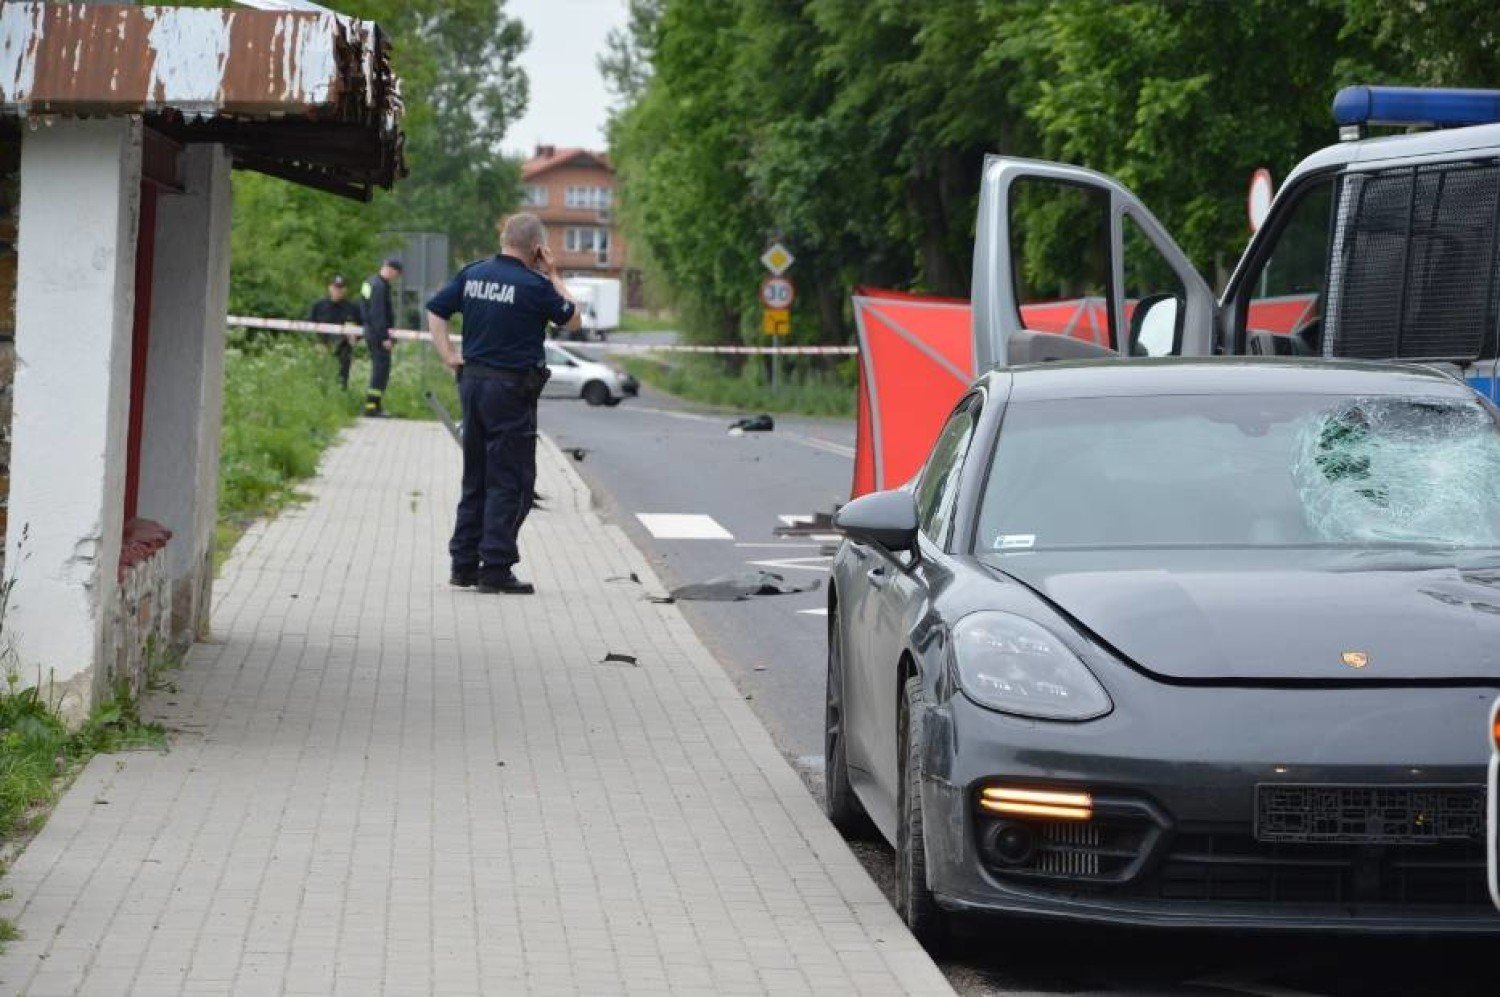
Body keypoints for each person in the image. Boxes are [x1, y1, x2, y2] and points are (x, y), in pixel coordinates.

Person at [427, 213, 582, 594]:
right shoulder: (535, 285)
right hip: (510, 391)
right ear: (536, 248)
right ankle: (495, 568)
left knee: (475, 475)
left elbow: (435, 310)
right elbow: (573, 320)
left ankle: (463, 565)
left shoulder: (473, 274)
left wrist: (448, 354)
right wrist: (554, 274)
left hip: (472, 383)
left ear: (503, 238)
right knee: (510, 481)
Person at [361, 257, 403, 417]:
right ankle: (372, 406)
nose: (395, 278)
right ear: (391, 269)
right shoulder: (379, 286)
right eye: (396, 274)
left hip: (371, 332)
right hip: (378, 335)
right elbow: (378, 314)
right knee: (380, 371)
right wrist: (385, 337)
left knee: (379, 369)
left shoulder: (369, 283)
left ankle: (374, 405)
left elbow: (364, 308)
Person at [306, 275, 363, 389]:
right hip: (322, 346)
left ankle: (341, 396)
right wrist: (316, 342)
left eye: (341, 288)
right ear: (329, 288)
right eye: (335, 287)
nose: (338, 291)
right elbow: (308, 327)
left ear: (345, 290)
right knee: (321, 376)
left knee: (342, 378)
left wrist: (354, 338)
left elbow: (361, 328)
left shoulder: (352, 308)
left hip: (344, 347)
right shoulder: (318, 306)